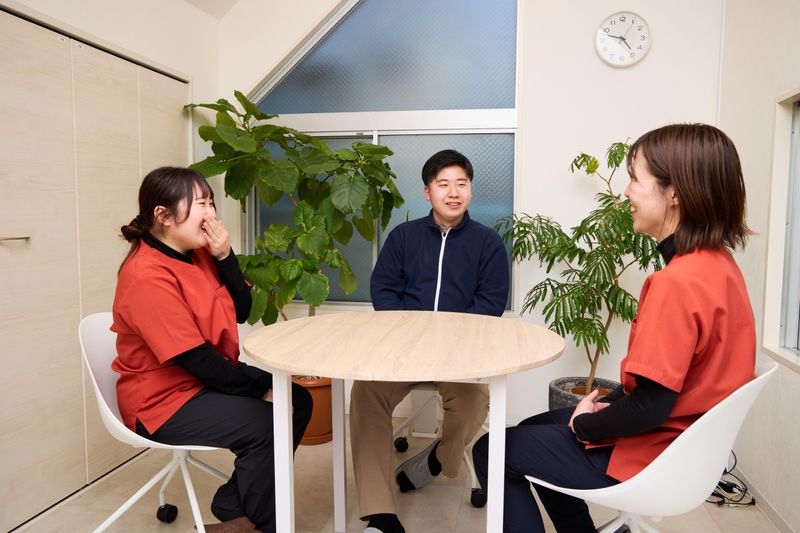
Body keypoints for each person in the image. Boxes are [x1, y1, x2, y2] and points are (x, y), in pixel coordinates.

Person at [472, 123, 756, 533]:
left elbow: (650, 406)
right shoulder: (719, 265)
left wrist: (583, 424)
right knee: (532, 430)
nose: (626, 192)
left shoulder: (676, 283)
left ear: (674, 193)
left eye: (635, 179)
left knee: (492, 450)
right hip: (683, 448)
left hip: (653, 452)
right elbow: (665, 382)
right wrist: (599, 404)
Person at [111, 167, 312, 533]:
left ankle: (235, 507)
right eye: (200, 204)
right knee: (268, 422)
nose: (211, 214)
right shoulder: (145, 275)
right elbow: (195, 359)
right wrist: (258, 391)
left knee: (298, 399)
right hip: (163, 400)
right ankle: (262, 524)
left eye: (211, 202)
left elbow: (242, 310)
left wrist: (224, 255)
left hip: (204, 377)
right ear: (163, 216)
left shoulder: (197, 251)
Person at [349, 149, 510, 533]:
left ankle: (439, 457)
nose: (453, 192)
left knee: (473, 403)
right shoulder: (403, 237)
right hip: (403, 353)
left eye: (461, 184)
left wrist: (449, 343)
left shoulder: (488, 244)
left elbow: (490, 304)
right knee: (365, 394)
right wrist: (411, 337)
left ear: (470, 190)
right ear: (427, 192)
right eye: (443, 185)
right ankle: (381, 515)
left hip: (459, 358)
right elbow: (384, 290)